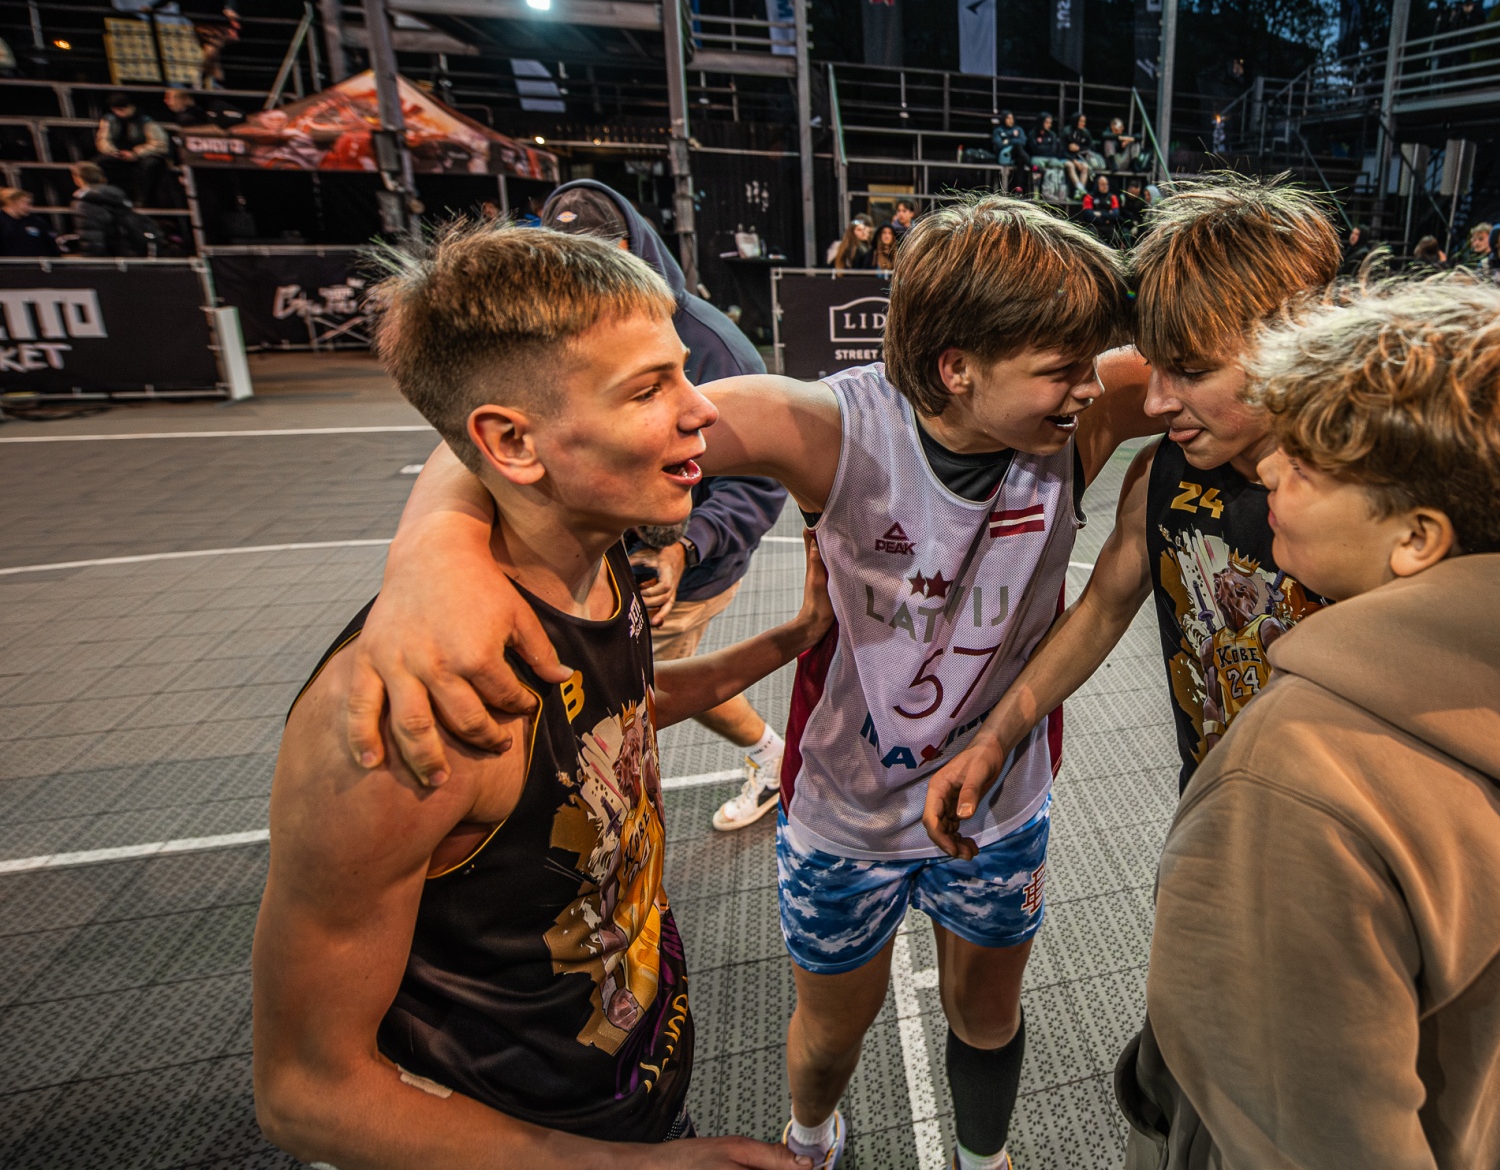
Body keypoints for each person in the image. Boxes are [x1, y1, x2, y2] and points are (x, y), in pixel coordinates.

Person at [336, 197, 1161, 1170]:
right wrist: (429, 554)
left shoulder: (1084, 409)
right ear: (956, 368)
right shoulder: (830, 428)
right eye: (1064, 368)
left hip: (1000, 798)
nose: (1092, 385)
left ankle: (985, 1162)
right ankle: (813, 1140)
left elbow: (1239, 358)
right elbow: (531, 428)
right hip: (847, 807)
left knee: (987, 1016)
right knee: (831, 1034)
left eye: (1092, 363)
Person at [251, 222, 822, 1168]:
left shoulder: (602, 564)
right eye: (650, 389)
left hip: (621, 1094)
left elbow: (613, 722)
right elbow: (308, 1094)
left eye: (683, 373)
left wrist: (789, 640)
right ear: (512, 443)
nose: (702, 412)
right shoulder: (420, 714)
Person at [1121, 278, 1500, 1170]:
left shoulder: (1301, 767)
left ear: (1417, 537)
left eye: (1308, 462)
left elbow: (1301, 1130)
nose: (1270, 471)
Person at [922, 176, 1341, 850]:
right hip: (1214, 813)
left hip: (1348, 839)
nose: (1154, 402)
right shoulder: (1161, 474)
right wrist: (996, 736)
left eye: (1191, 371)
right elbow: (1101, 611)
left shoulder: (1377, 504)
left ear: (1298, 345)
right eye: (1155, 368)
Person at [540, 181, 793, 834]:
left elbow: (761, 481)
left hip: (677, 564)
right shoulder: (566, 329)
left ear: (633, 249)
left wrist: (685, 546)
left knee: (630, 698)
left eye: (601, 256)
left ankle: (769, 758)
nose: (586, 277)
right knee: (632, 687)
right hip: (606, 558)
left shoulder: (714, 347)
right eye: (567, 260)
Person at [151, 0, 242, 87]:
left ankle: (205, 77)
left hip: (217, 23)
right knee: (210, 52)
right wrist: (153, 7)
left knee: (213, 51)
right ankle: (207, 78)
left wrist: (229, 8)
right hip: (198, 23)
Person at [95, 94, 173, 206]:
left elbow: (160, 143)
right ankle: (108, 198)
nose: (120, 112)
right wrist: (113, 152)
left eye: (123, 108)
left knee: (151, 164)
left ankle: (142, 200)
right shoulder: (109, 120)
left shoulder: (145, 120)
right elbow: (103, 140)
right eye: (116, 109)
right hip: (119, 155)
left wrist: (136, 153)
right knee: (100, 163)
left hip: (143, 155)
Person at [69, 162, 158, 258]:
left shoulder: (84, 203)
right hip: (126, 253)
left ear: (77, 179)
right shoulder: (118, 196)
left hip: (103, 258)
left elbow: (91, 236)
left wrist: (89, 260)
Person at [0, 187, 56, 258]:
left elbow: (50, 245)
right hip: (7, 263)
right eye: (26, 203)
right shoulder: (2, 221)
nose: (30, 207)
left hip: (35, 263)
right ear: (12, 202)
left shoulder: (36, 221)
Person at [1079, 174, 1121, 243]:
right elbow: (1088, 214)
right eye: (1102, 184)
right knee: (1091, 234)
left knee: (1116, 237)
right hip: (1094, 226)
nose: (1105, 186)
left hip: (1108, 227)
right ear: (1097, 185)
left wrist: (1100, 214)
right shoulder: (1089, 197)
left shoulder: (1112, 197)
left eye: (1106, 184)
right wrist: (1107, 216)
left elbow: (1116, 214)